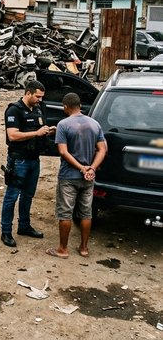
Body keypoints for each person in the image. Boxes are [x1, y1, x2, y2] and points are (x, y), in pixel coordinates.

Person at [46, 93, 107, 259]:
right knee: (86, 213)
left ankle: (63, 249)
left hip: (68, 176)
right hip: (88, 178)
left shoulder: (63, 124)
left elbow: (63, 151)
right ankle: (84, 248)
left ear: (66, 106)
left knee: (65, 213)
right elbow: (102, 149)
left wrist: (81, 168)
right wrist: (91, 168)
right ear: (80, 105)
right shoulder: (94, 124)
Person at [1, 80, 53, 248]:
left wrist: (47, 131)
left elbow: (40, 129)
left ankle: (24, 226)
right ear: (28, 93)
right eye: (37, 96)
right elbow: (12, 135)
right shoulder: (14, 110)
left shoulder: (38, 109)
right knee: (11, 197)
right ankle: (6, 232)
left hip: (34, 159)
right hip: (18, 160)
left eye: (42, 97)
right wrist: (36, 133)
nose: (40, 100)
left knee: (28, 195)